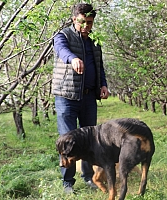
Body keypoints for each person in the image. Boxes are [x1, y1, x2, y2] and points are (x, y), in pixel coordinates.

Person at [52, 3, 109, 193]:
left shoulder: (94, 40)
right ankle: (67, 182)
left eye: (90, 22)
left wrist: (103, 85)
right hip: (66, 96)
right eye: (82, 22)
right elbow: (61, 51)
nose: (86, 26)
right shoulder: (63, 36)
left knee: (89, 140)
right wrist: (72, 59)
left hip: (88, 98)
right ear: (74, 19)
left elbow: (99, 66)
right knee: (68, 140)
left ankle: (88, 178)